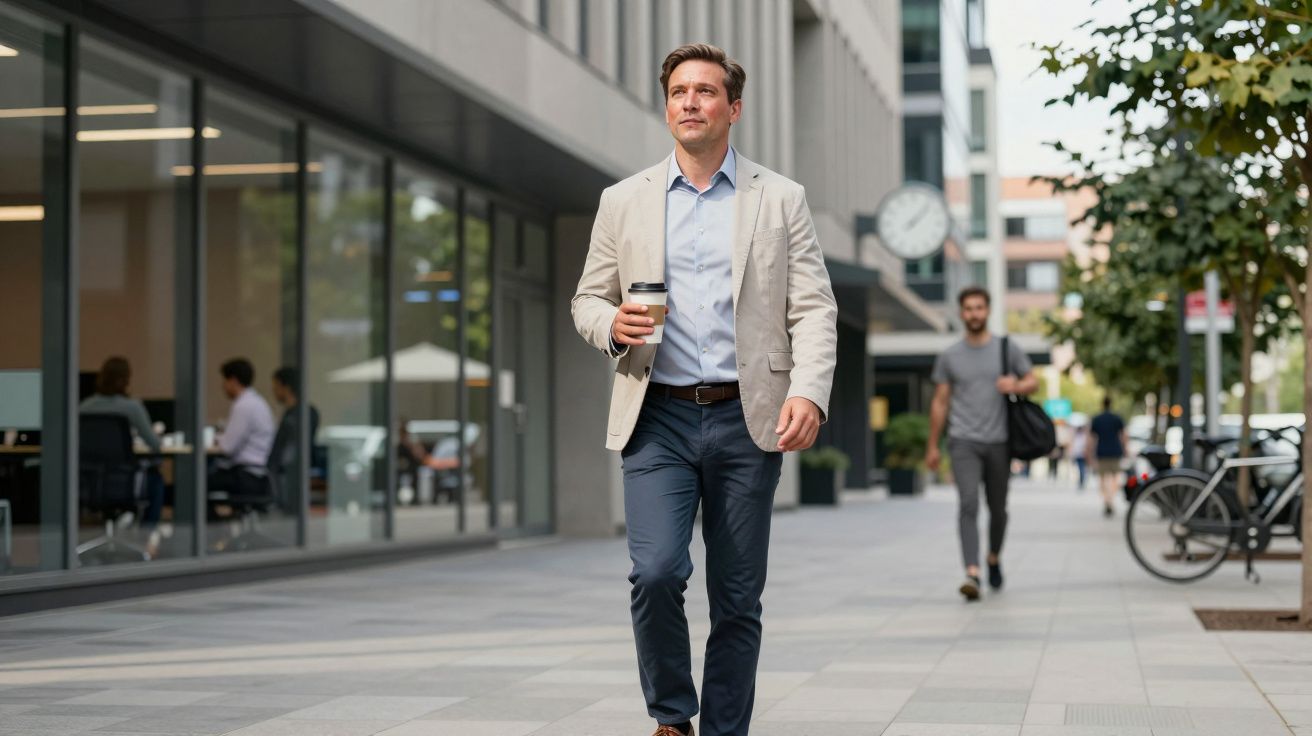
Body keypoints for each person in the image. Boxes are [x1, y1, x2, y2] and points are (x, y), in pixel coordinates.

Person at [572, 43, 837, 736]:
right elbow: (586, 300)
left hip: (746, 419)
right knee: (656, 572)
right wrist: (612, 323)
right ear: (667, 108)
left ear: (733, 108)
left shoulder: (779, 199)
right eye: (680, 91)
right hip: (655, 415)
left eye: (706, 91)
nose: (691, 101)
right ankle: (671, 713)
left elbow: (812, 307)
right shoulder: (622, 201)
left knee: (737, 598)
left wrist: (807, 392)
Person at [926, 287, 1038, 602]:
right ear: (961, 313)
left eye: (979, 308)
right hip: (963, 442)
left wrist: (1015, 384)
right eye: (968, 309)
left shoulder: (1006, 348)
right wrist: (933, 445)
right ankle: (972, 572)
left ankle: (993, 558)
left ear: (987, 311)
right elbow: (940, 402)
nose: (974, 314)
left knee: (998, 510)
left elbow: (1033, 381)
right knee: (968, 504)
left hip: (1000, 442)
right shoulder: (950, 356)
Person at [79, 356, 165, 528]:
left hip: (87, 481)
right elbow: (155, 445)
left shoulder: (83, 407)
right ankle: (146, 536)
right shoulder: (131, 407)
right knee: (156, 480)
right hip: (125, 481)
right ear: (126, 380)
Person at [208, 358, 275, 500]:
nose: (223, 386)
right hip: (258, 475)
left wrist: (214, 438)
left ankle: (211, 522)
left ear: (233, 381)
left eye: (225, 381)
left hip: (246, 477)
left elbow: (227, 447)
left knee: (193, 484)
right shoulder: (257, 402)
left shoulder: (243, 406)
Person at [268, 367, 319, 509]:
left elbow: (287, 450)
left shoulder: (295, 416)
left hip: (286, 477)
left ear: (286, 387)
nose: (273, 391)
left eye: (276, 386)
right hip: (289, 475)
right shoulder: (306, 412)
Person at [1088, 397, 1127, 517]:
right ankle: (1111, 498)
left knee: (1102, 478)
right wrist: (1126, 449)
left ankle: (1106, 500)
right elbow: (1124, 436)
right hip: (1116, 451)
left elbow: (1092, 438)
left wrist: (1089, 453)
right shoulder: (1117, 418)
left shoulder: (1097, 419)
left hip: (1102, 452)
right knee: (1116, 477)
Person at [1071, 423, 1090, 491]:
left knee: (1082, 469)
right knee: (1080, 469)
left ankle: (1082, 481)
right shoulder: (1076, 437)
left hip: (1083, 455)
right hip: (1078, 454)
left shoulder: (1084, 436)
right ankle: (1081, 481)